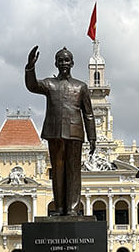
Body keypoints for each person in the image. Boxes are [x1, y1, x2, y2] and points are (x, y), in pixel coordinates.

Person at [25, 46, 96, 216]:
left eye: (66, 60)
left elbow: (89, 114)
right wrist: (30, 67)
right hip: (54, 132)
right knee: (57, 171)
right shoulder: (50, 84)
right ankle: (59, 208)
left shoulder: (81, 87)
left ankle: (72, 208)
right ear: (56, 63)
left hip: (75, 132)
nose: (64, 63)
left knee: (73, 170)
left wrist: (92, 137)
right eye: (60, 60)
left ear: (72, 63)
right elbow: (32, 85)